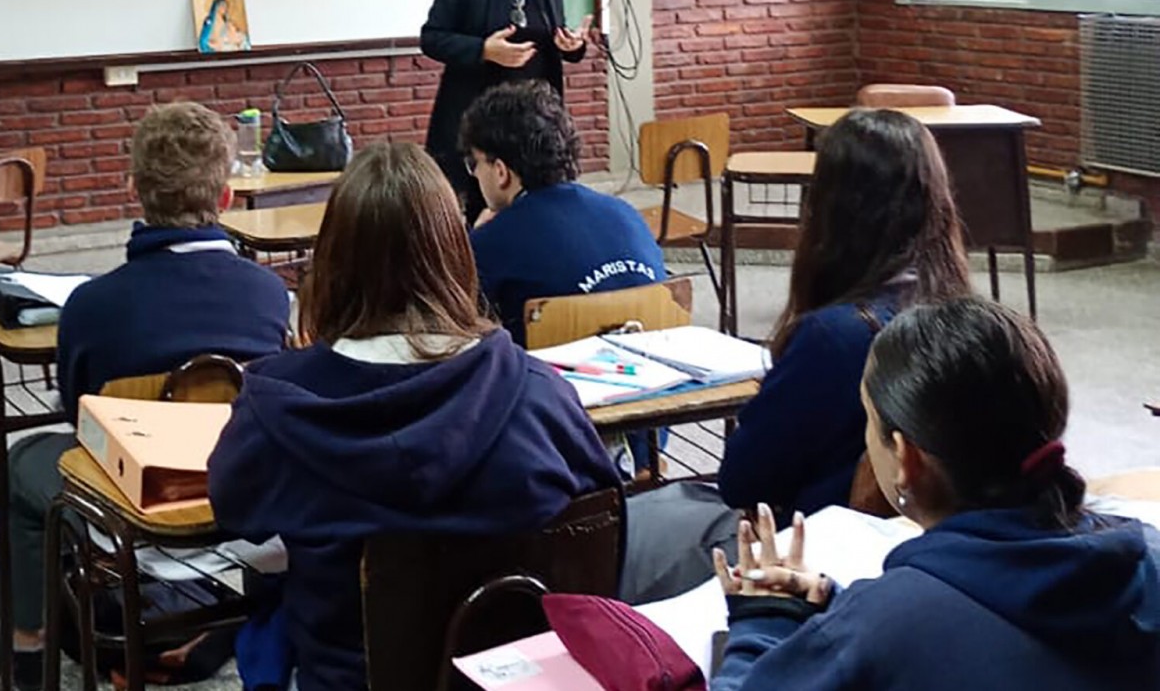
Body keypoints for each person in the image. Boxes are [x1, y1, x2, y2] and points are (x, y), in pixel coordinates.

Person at [207, 141, 620, 691]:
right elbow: (598, 509)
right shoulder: (537, 392)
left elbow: (234, 509)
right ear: (455, 253)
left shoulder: (278, 402)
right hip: (509, 678)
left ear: (332, 262)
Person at [0, 102, 289, 690]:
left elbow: (78, 415)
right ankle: (222, 616)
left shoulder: (94, 306)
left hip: (126, 511)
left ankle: (28, 646)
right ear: (225, 198)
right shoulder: (267, 293)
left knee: (25, 460)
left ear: (133, 189)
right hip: (242, 501)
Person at [710, 297, 1160, 690]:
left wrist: (761, 622)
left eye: (869, 419)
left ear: (906, 457)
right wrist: (838, 606)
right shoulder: (1146, 559)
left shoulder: (882, 626)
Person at [717, 108, 970, 518]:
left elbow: (741, 482)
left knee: (648, 522)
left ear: (831, 208)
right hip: (919, 540)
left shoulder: (834, 338)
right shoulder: (967, 320)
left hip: (813, 552)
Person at [422, 0, 593, 222]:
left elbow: (553, 33)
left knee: (540, 206)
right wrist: (484, 50)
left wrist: (573, 46)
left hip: (536, 116)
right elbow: (432, 38)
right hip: (478, 115)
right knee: (480, 210)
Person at [460, 80, 664, 345]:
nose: (474, 173)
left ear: (501, 171)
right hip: (657, 372)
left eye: (473, 163)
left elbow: (461, 329)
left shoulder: (489, 242)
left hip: (557, 382)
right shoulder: (626, 213)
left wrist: (470, 248)